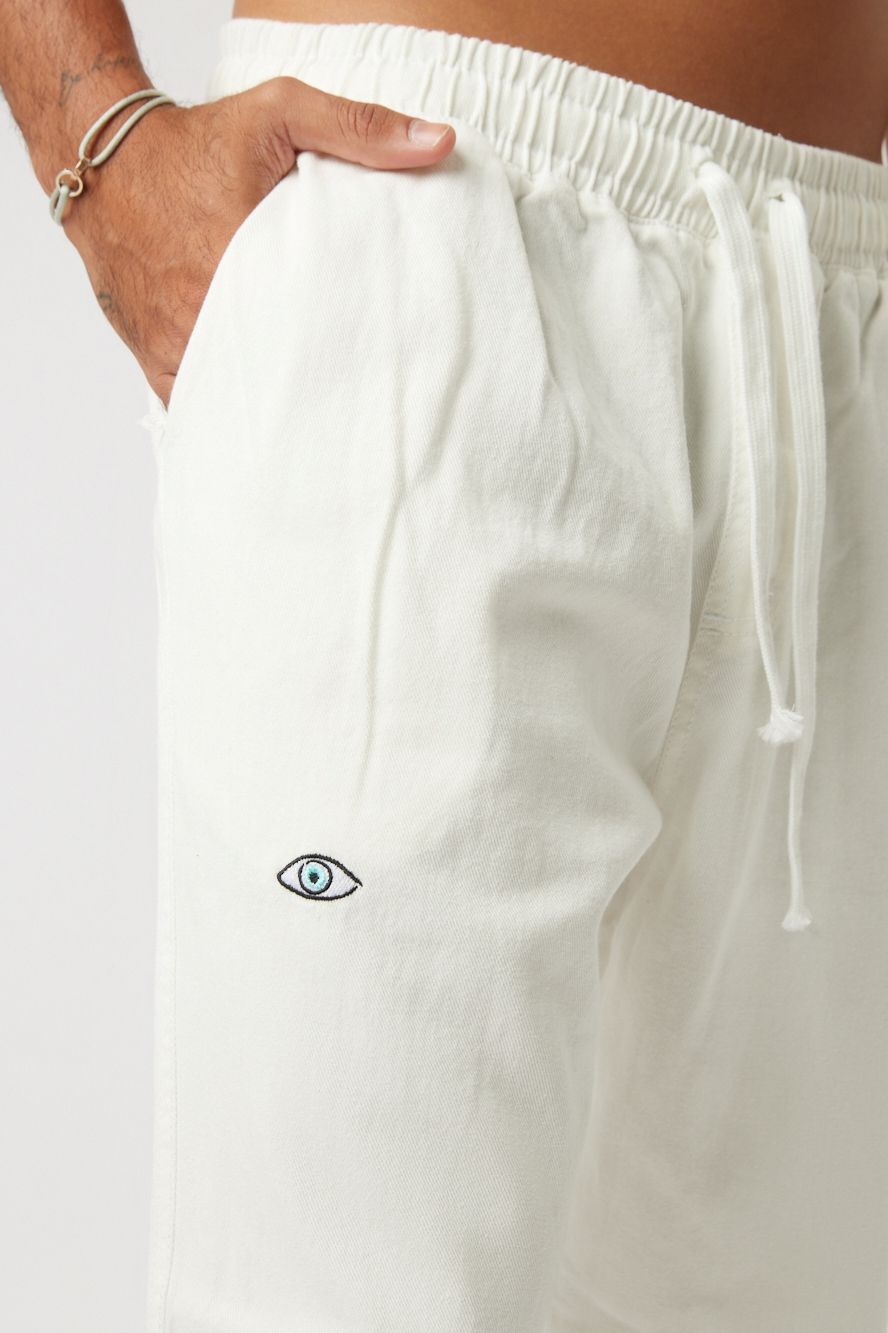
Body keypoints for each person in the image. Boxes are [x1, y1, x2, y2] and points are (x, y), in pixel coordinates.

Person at [2, 2, 887, 1330]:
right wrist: (94, 130)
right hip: (439, 208)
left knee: (780, 1295)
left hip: (833, 316)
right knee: (353, 1293)